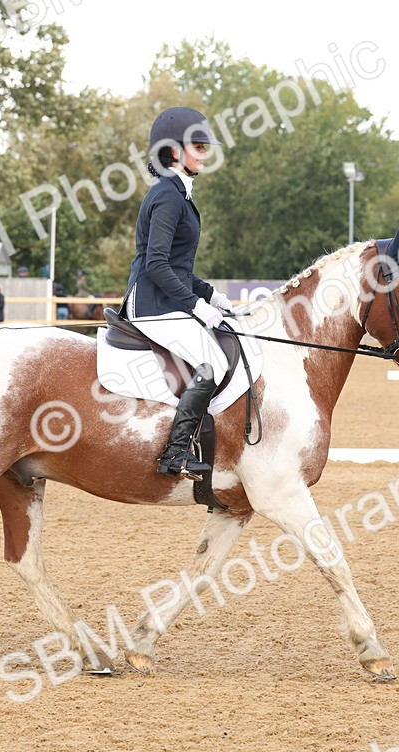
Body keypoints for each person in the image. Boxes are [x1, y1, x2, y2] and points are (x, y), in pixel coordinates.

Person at [122, 106, 233, 478]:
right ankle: (176, 454)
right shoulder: (168, 196)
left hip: (169, 300)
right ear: (173, 151)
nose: (205, 153)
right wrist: (197, 306)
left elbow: (179, 266)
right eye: (198, 146)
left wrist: (211, 294)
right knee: (213, 365)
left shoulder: (180, 195)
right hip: (152, 305)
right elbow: (156, 264)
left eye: (205, 146)